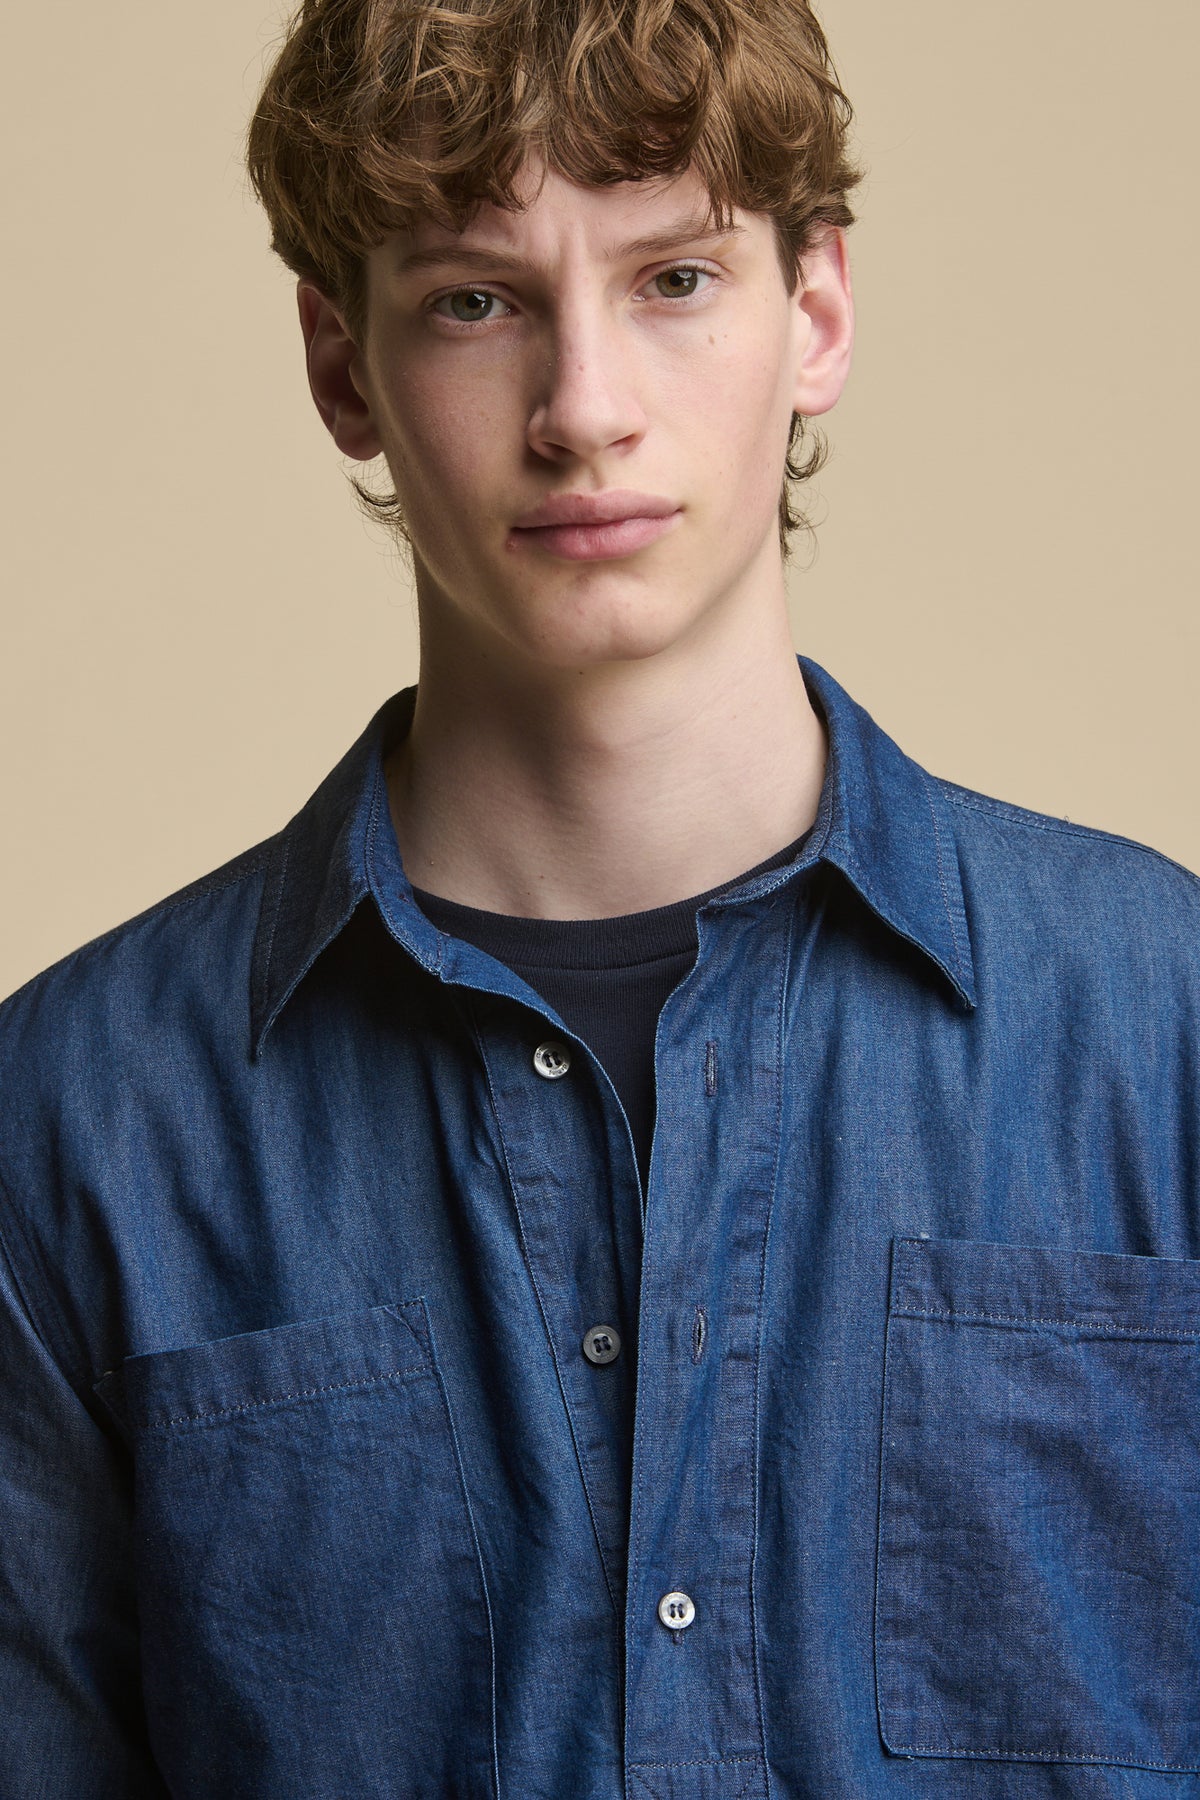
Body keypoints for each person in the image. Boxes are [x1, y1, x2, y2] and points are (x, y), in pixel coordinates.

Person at [2, 0, 1198, 1793]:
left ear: (817, 316)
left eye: (675, 281)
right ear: (343, 364)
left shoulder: (1158, 1019)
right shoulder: (76, 1118)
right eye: (478, 299)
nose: (584, 410)